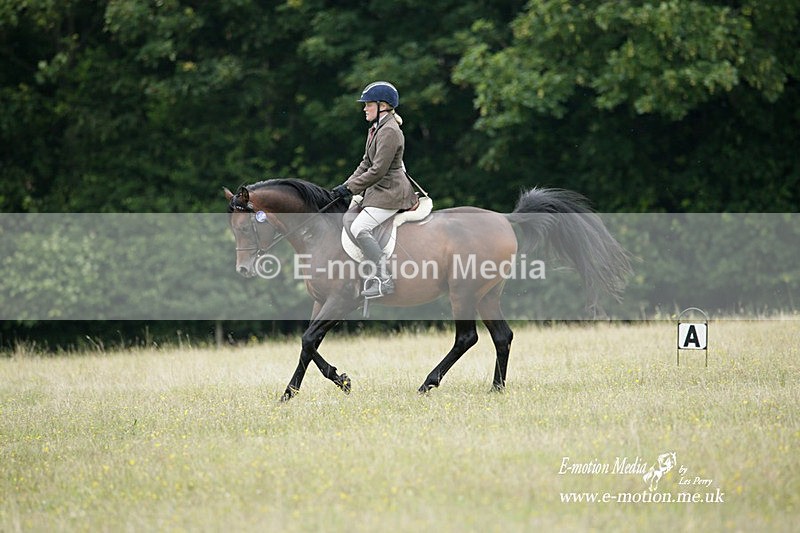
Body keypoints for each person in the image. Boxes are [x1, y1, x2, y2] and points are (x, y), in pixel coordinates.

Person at [331, 81, 417, 298]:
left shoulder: (389, 131)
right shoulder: (376, 129)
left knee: (360, 228)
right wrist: (345, 186)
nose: (364, 108)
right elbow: (364, 164)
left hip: (391, 193)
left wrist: (351, 188)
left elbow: (378, 170)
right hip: (378, 191)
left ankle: (384, 279)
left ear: (383, 106)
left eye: (368, 104)